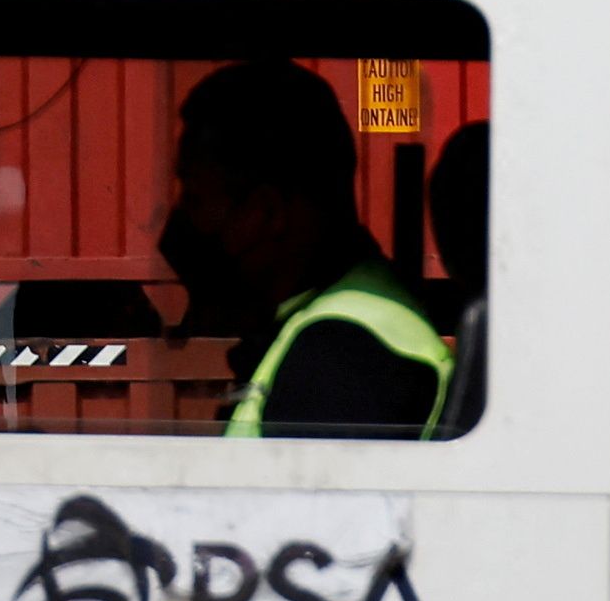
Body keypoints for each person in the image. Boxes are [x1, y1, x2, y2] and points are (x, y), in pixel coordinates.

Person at [157, 60, 453, 439]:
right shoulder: (332, 327)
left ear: (267, 212)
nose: (182, 220)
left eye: (196, 198)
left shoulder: (342, 359)